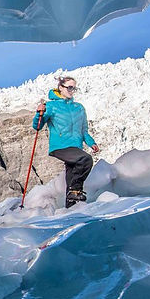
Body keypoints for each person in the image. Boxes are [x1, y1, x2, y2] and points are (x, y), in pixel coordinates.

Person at [34, 76, 100, 208]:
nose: (72, 90)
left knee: (72, 175)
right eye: (69, 87)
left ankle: (72, 207)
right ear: (61, 88)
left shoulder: (79, 108)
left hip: (76, 147)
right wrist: (39, 113)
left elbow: (84, 130)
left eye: (74, 88)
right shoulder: (51, 106)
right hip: (60, 146)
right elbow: (37, 126)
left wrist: (91, 143)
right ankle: (74, 192)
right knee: (85, 160)